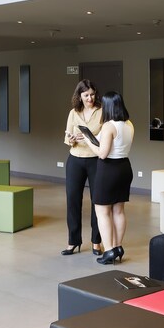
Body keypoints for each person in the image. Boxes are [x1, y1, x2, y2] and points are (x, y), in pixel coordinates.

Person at [83, 91, 134, 265]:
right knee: (118, 210)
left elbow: (103, 153)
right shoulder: (128, 124)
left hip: (109, 169)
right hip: (125, 167)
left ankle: (109, 251)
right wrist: (93, 138)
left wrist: (88, 141)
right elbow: (115, 144)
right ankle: (118, 247)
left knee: (102, 211)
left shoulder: (108, 126)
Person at [61, 79, 103, 256]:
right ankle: (73, 241)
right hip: (75, 159)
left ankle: (96, 242)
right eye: (86, 95)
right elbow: (66, 137)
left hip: (95, 159)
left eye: (92, 94)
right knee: (72, 201)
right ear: (79, 96)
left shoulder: (102, 112)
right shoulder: (73, 113)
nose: (90, 98)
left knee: (98, 202)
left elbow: (105, 137)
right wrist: (70, 139)